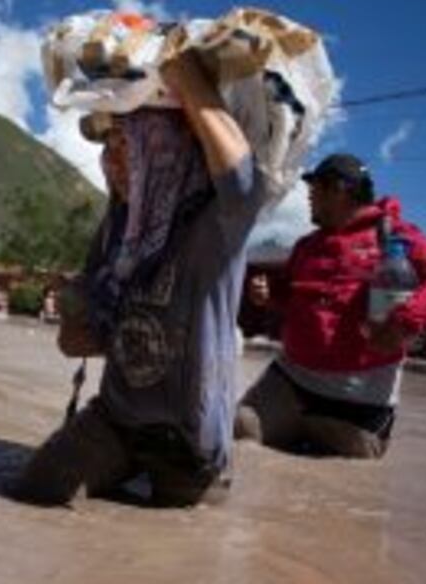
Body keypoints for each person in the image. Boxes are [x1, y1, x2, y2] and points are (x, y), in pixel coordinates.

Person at [15, 50, 267, 507]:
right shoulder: (117, 229)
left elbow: (246, 183)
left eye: (127, 144)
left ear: (166, 144)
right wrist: (76, 306)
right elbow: (76, 345)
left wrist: (180, 69)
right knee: (37, 488)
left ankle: (223, 449)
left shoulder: (213, 224)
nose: (111, 162)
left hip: (188, 443)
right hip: (116, 417)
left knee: (180, 543)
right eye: (107, 148)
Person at [235, 153, 426, 458]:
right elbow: (289, 292)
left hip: (357, 402)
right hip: (290, 383)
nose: (308, 198)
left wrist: (405, 320)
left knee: (335, 482)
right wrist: (269, 292)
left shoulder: (395, 236)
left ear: (339, 189)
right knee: (239, 431)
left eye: (315, 190)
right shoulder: (307, 245)